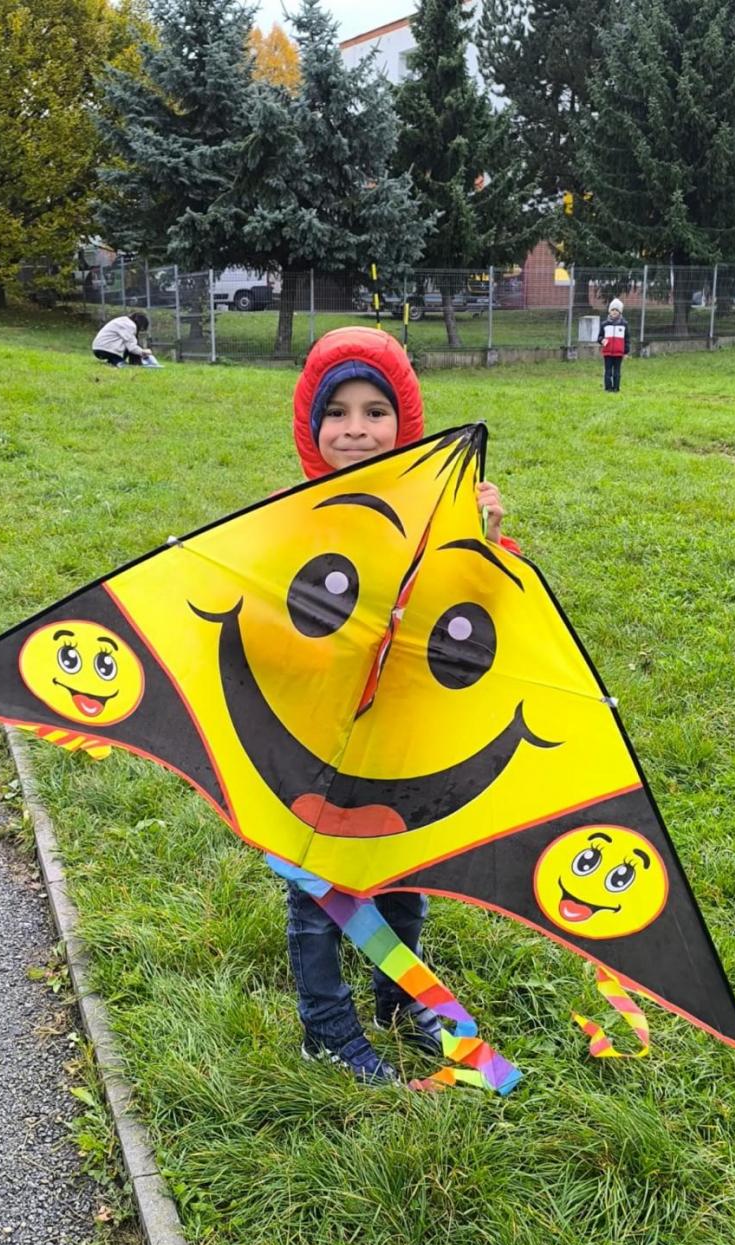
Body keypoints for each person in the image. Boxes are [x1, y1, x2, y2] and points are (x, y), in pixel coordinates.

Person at [279, 326, 520, 1083]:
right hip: (314, 743)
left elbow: (481, 616)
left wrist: (486, 543)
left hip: (408, 738)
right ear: (312, 426)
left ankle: (398, 998)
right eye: (338, 412)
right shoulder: (295, 518)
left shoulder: (435, 515)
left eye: (375, 411)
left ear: (404, 421)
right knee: (316, 894)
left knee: (403, 877)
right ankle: (324, 1024)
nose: (356, 429)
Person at [91, 312, 162, 367]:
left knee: (126, 347)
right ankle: (118, 362)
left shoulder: (124, 321)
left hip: (98, 348)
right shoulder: (130, 326)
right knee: (123, 365)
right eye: (141, 329)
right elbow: (132, 347)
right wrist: (143, 352)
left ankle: (112, 361)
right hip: (106, 349)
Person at [598, 298, 630, 392]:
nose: (614, 312)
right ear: (609, 311)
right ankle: (608, 388)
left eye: (617, 310)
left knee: (617, 371)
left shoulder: (624, 324)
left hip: (619, 353)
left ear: (620, 312)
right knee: (608, 371)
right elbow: (599, 337)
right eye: (612, 310)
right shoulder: (604, 324)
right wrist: (602, 340)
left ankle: (616, 388)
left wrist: (626, 351)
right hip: (607, 352)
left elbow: (627, 339)